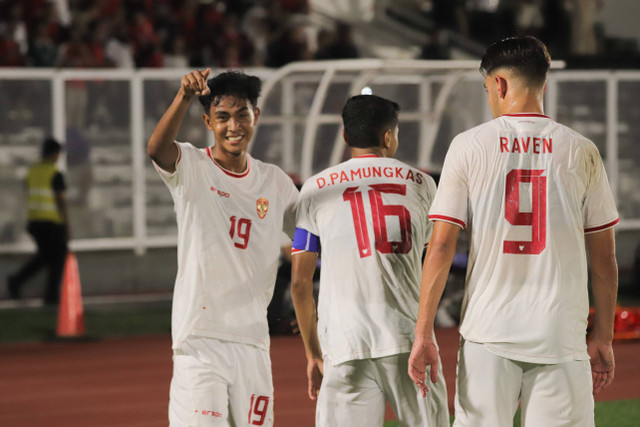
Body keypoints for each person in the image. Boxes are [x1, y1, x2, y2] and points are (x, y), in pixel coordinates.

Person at [408, 36, 619, 426]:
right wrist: (603, 335)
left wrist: (423, 333)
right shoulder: (580, 149)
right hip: (560, 332)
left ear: (499, 85)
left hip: (489, 331)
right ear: (543, 83)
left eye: (488, 88)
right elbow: (604, 255)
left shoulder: (469, 145)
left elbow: (440, 247)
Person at [147, 69, 299, 426]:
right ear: (208, 121)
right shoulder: (192, 166)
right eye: (223, 117)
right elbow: (156, 149)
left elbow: (310, 238)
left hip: (253, 342)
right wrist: (183, 96)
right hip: (200, 340)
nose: (234, 126)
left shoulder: (274, 181)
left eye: (242, 114)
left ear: (255, 116)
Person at [291, 94, 449, 426]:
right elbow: (433, 252)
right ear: (388, 136)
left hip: (344, 343)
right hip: (408, 337)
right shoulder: (422, 184)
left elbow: (300, 283)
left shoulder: (315, 188)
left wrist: (313, 353)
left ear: (346, 136)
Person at [7, 137, 70, 305]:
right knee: (57, 257)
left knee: (46, 256)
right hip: (52, 222)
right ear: (54, 154)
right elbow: (60, 201)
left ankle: (16, 281)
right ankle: (50, 297)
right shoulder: (55, 174)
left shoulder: (32, 172)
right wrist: (66, 224)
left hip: (34, 222)